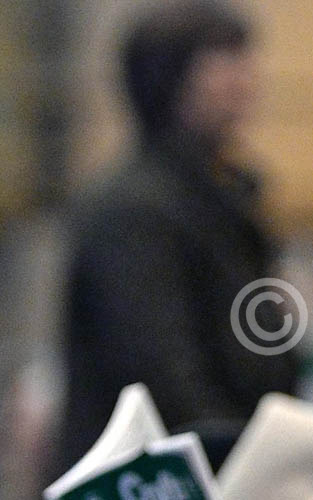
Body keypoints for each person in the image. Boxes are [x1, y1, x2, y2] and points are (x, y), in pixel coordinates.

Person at [49, 0, 297, 479]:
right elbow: (164, 379)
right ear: (168, 81)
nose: (244, 80)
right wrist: (251, 464)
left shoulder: (230, 197)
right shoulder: (132, 211)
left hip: (233, 462)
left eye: (243, 60)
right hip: (162, 478)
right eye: (221, 64)